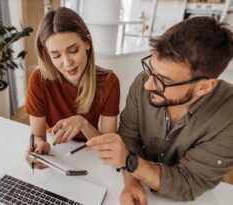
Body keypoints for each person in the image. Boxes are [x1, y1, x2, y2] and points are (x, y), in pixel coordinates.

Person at [87, 16, 233, 204]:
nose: (148, 85)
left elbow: (188, 184)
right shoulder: (143, 82)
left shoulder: (228, 117)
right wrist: (131, 182)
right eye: (151, 69)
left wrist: (131, 162)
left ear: (203, 87)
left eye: (163, 81)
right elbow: (129, 137)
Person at [25, 7, 120, 168]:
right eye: (56, 55)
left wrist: (83, 123)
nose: (67, 62)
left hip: (91, 156)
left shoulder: (109, 82)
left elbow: (108, 145)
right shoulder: (38, 80)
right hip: (58, 154)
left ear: (87, 43)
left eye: (73, 50)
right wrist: (40, 147)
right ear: (47, 54)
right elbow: (38, 135)